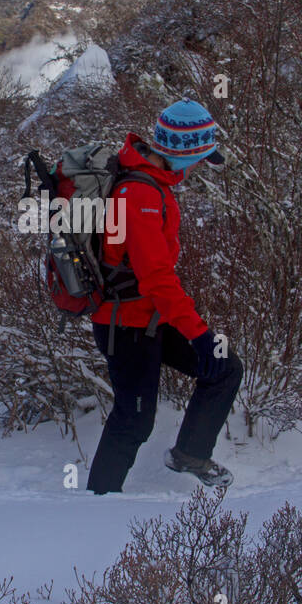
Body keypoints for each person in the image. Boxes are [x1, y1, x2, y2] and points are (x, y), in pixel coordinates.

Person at [87, 98, 243, 494]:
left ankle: (189, 454)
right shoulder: (138, 196)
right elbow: (156, 277)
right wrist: (199, 335)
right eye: (198, 158)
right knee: (133, 420)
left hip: (150, 316)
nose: (196, 169)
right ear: (180, 153)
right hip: (124, 324)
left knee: (224, 368)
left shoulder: (152, 182)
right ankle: (94, 506)